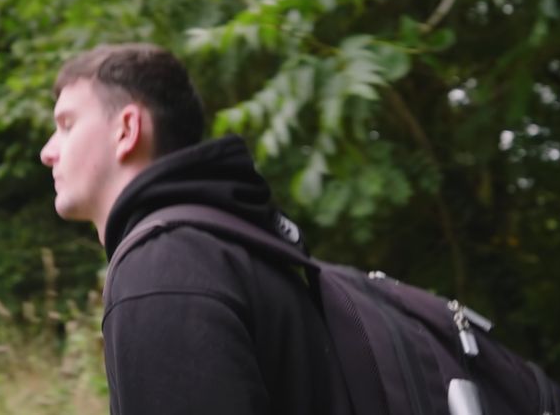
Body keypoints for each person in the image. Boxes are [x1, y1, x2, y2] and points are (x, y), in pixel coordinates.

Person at [40, 43, 351, 415]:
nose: (48, 151)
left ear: (126, 129)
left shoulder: (161, 271)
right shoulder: (223, 245)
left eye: (67, 125)